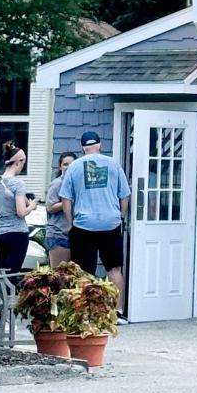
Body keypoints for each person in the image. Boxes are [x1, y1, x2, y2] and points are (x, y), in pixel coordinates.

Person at [62, 129, 131, 302]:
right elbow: (124, 196)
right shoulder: (113, 164)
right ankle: (117, 311)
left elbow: (66, 199)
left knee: (84, 272)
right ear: (99, 145)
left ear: (83, 148)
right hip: (111, 223)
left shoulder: (74, 167)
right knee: (114, 269)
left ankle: (84, 312)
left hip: (83, 224)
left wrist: (71, 223)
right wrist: (120, 217)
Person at [0, 144, 33, 326]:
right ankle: (0, 318)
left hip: (1, 234)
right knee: (11, 277)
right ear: (18, 162)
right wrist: (32, 206)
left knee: (2, 273)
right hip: (17, 234)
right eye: (23, 163)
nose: (23, 167)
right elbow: (21, 212)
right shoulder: (18, 184)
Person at [44, 150, 76, 265]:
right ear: (60, 166)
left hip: (73, 235)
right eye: (65, 164)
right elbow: (50, 207)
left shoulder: (76, 185)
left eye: (71, 164)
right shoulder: (57, 184)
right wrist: (66, 202)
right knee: (59, 276)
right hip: (58, 235)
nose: (68, 167)